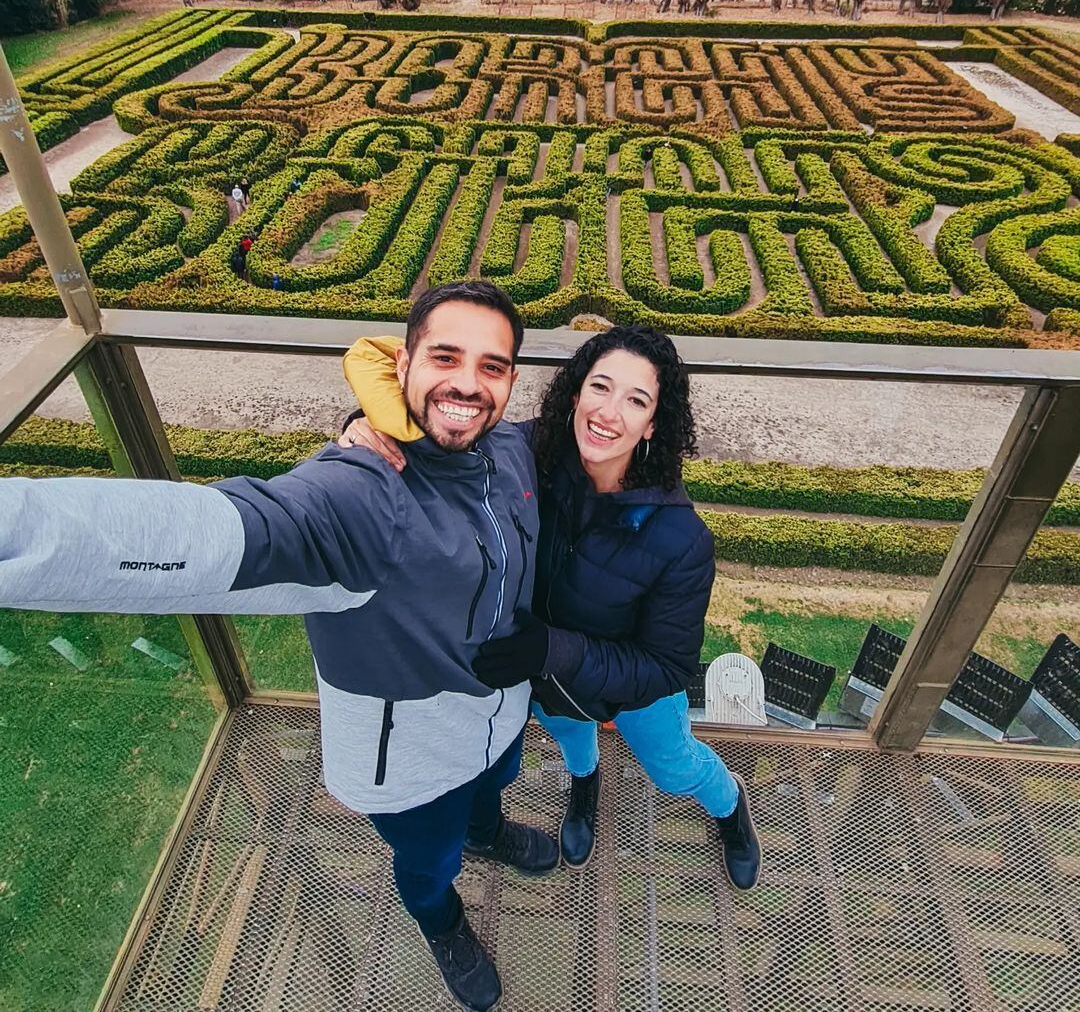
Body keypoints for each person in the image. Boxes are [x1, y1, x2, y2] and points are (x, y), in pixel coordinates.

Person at [0, 282, 557, 1012]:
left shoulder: (512, 452)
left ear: (511, 382)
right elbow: (218, 531)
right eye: (446, 357)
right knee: (426, 861)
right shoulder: (364, 495)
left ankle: (488, 830)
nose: (467, 383)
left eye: (492, 367)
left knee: (496, 781)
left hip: (499, 713)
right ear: (405, 363)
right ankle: (441, 921)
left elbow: (595, 434)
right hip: (412, 753)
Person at [341, 323, 761, 892]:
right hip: (539, 679)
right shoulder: (528, 452)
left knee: (672, 767)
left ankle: (730, 806)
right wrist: (366, 431)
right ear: (576, 391)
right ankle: (585, 786)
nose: (609, 413)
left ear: (653, 425)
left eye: (636, 401)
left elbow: (666, 667)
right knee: (570, 740)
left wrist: (551, 649)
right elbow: (444, 436)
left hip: (625, 693)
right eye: (600, 387)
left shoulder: (681, 539)